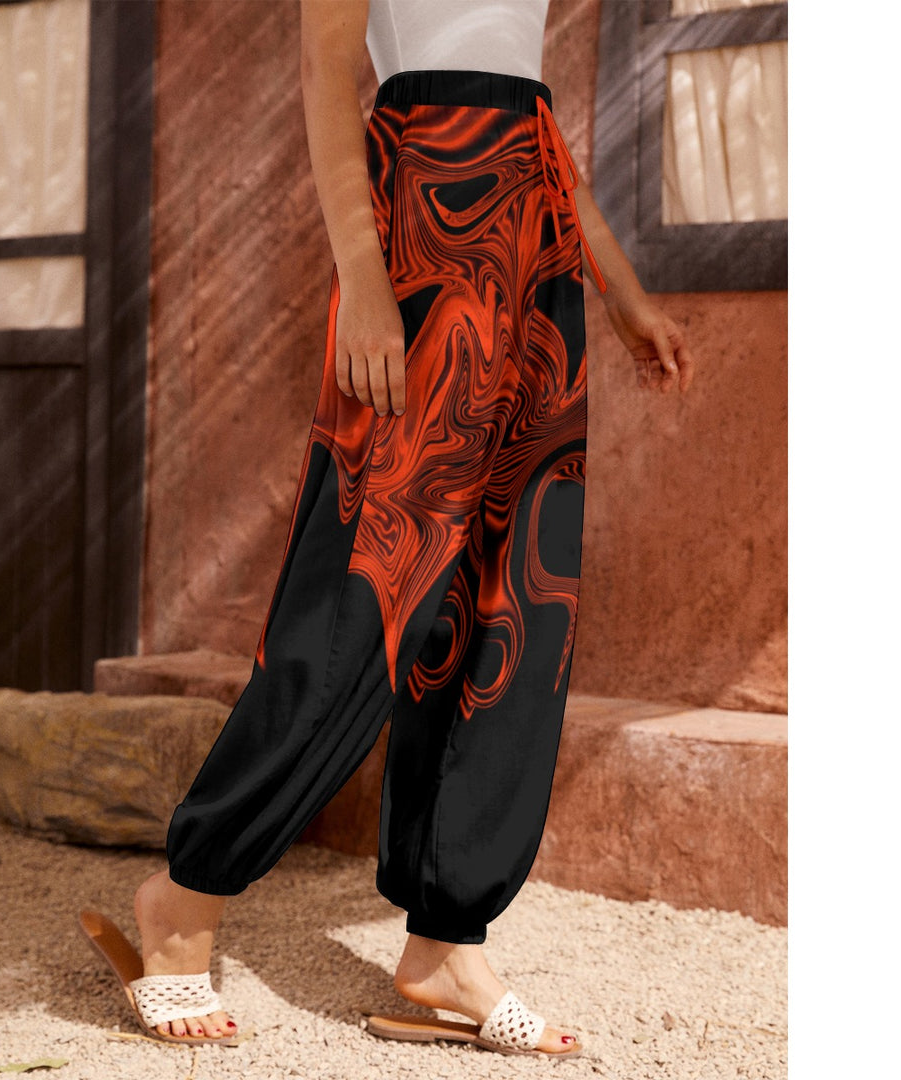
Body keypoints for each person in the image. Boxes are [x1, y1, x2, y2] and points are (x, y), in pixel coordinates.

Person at [81, 0, 695, 1060]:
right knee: (365, 591)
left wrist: (622, 288)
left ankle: (445, 941)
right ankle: (186, 897)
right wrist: (365, 281)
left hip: (535, 267)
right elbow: (329, 79)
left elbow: (530, 118)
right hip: (424, 251)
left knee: (513, 605)